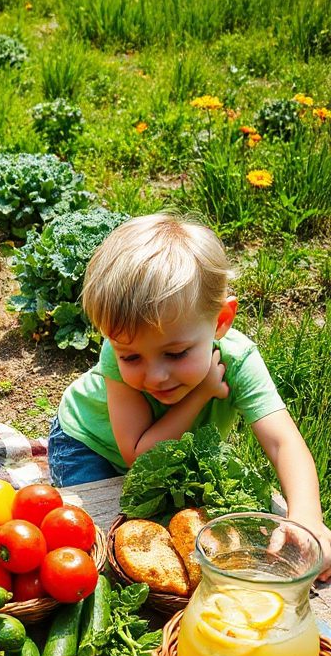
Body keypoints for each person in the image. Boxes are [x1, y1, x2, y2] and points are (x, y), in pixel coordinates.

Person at [49, 213, 331, 579]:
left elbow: (283, 442)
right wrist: (200, 394)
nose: (155, 375)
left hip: (169, 452)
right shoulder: (115, 356)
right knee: (101, 548)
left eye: (177, 353)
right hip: (89, 445)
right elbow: (139, 455)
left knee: (195, 545)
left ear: (221, 321)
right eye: (131, 358)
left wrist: (307, 518)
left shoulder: (238, 360)